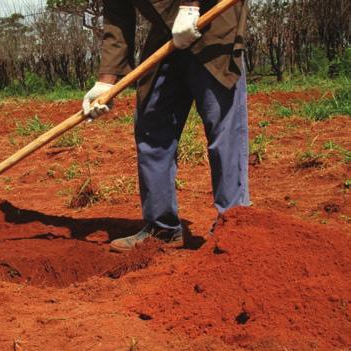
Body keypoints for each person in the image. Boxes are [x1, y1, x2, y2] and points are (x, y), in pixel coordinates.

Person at [82, 0, 250, 252]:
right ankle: (161, 228)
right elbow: (117, 16)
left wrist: (190, 7)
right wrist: (106, 82)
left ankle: (234, 226)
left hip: (213, 23)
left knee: (224, 131)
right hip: (167, 33)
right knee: (152, 124)